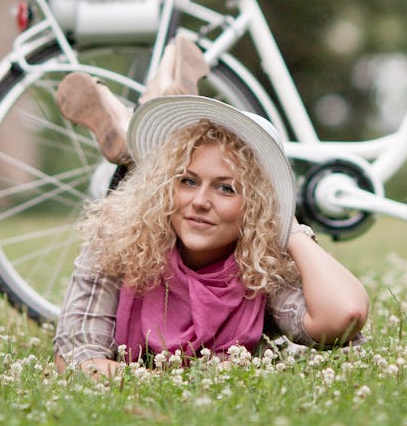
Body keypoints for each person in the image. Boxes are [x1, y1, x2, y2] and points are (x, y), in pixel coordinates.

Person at [53, 42, 369, 377]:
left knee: (141, 157)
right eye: (187, 181)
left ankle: (139, 117)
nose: (201, 201)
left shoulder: (260, 262)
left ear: (258, 208)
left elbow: (344, 315)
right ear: (166, 186)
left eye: (225, 188)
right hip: (138, 197)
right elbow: (74, 357)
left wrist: (289, 229)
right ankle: (138, 123)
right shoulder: (121, 235)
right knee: (136, 170)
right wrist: (159, 379)